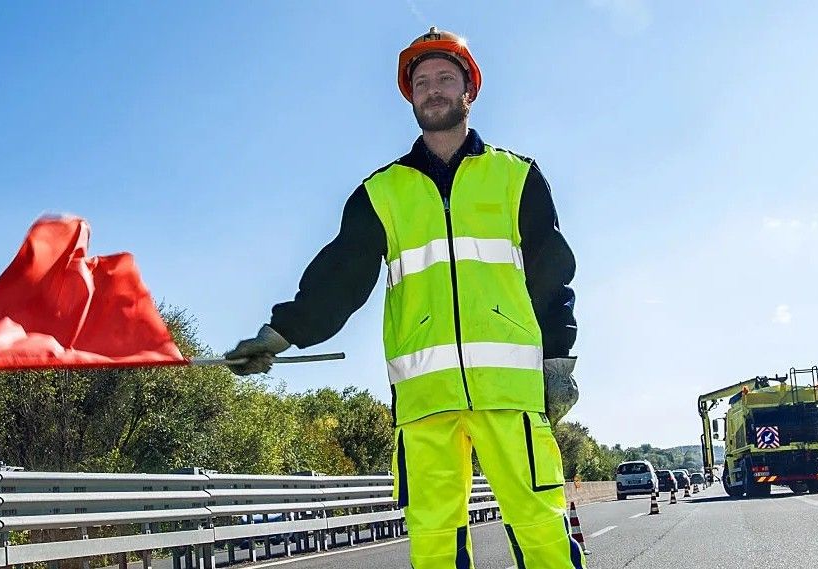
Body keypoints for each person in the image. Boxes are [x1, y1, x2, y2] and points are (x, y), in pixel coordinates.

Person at [226, 27, 583, 569]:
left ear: (469, 90)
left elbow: (551, 279)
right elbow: (338, 279)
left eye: (445, 78)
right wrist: (278, 336)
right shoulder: (381, 193)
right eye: (422, 82)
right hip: (424, 401)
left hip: (510, 394)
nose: (433, 90)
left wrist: (557, 363)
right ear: (410, 96)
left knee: (541, 531)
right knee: (434, 543)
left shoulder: (517, 177)